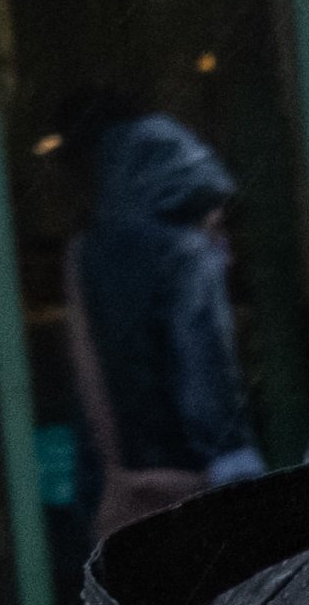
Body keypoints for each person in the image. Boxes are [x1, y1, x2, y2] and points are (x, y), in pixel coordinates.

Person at [67, 115, 266, 533]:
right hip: (188, 476)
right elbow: (204, 369)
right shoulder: (188, 256)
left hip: (121, 479)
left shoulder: (89, 255)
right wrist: (233, 462)